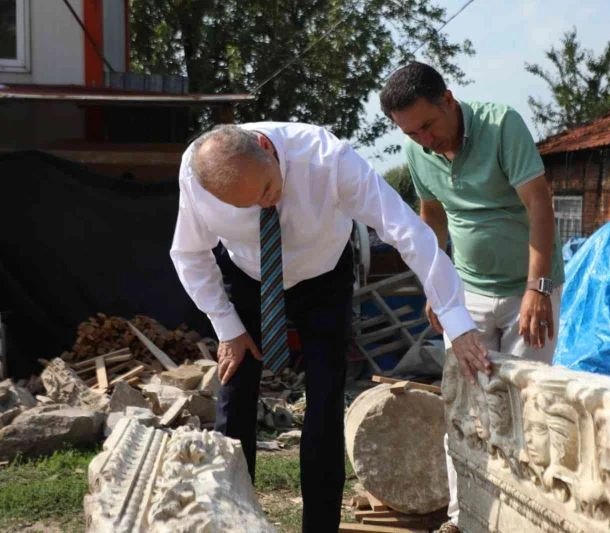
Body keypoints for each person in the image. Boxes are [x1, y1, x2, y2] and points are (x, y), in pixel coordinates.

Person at [169, 122, 489, 533]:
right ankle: (226, 519)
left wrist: (456, 319)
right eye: (244, 205)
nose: (265, 203)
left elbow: (405, 230)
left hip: (323, 276)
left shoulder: (330, 161)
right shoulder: (195, 172)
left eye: (266, 189)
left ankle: (319, 527)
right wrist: (227, 327)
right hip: (248, 275)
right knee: (234, 390)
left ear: (266, 148)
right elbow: (190, 253)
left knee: (325, 398)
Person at [380, 61, 565, 533]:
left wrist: (538, 288)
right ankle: (463, 521)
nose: (424, 140)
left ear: (448, 99)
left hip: (528, 292)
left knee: (523, 410)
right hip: (467, 294)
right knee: (465, 409)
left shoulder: (501, 126)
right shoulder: (418, 149)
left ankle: (521, 521)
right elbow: (432, 216)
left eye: (428, 126)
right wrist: (437, 286)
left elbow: (539, 203)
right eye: (411, 133)